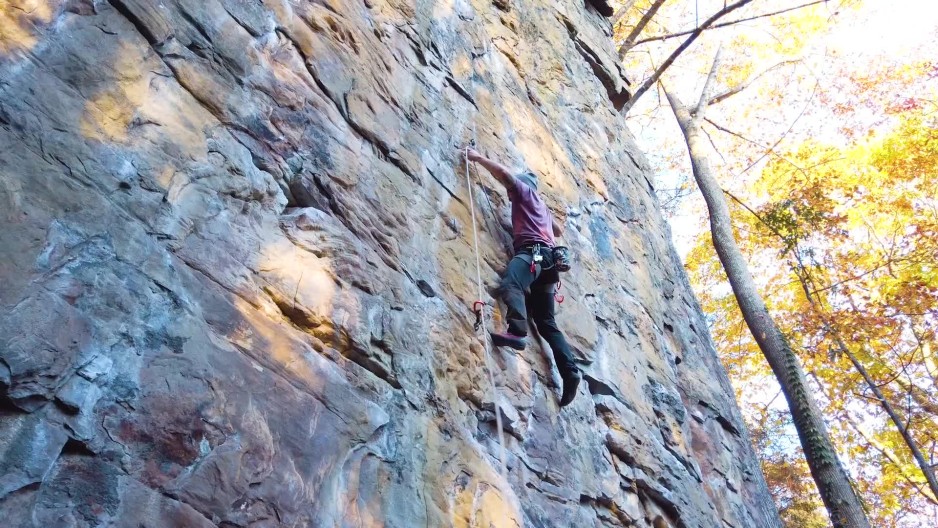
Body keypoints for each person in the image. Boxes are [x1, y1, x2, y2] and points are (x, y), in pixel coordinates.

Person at [464, 147, 581, 407]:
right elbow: (558, 230)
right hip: (549, 265)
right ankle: (570, 371)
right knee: (546, 322)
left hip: (534, 254)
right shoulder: (541, 207)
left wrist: (478, 157)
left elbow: (505, 174)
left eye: (512, 190)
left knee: (511, 284)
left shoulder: (525, 193)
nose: (508, 193)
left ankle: (517, 332)